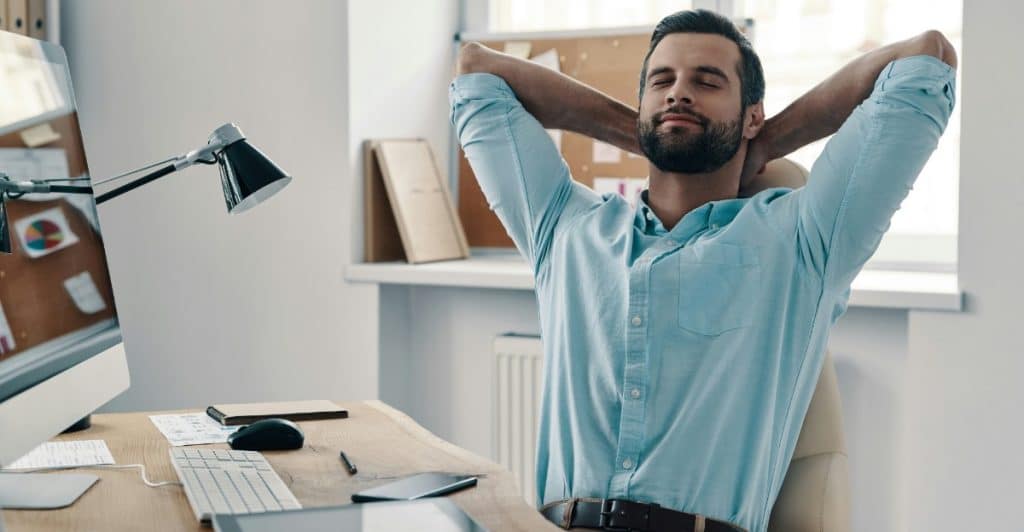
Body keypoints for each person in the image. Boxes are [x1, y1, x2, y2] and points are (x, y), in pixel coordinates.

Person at [450, 9, 956, 532]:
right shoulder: (564, 226)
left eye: (707, 81)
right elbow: (476, 72)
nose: (679, 93)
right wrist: (644, 131)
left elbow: (926, 58)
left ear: (751, 114)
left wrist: (767, 141)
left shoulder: (804, 239)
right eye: (661, 82)